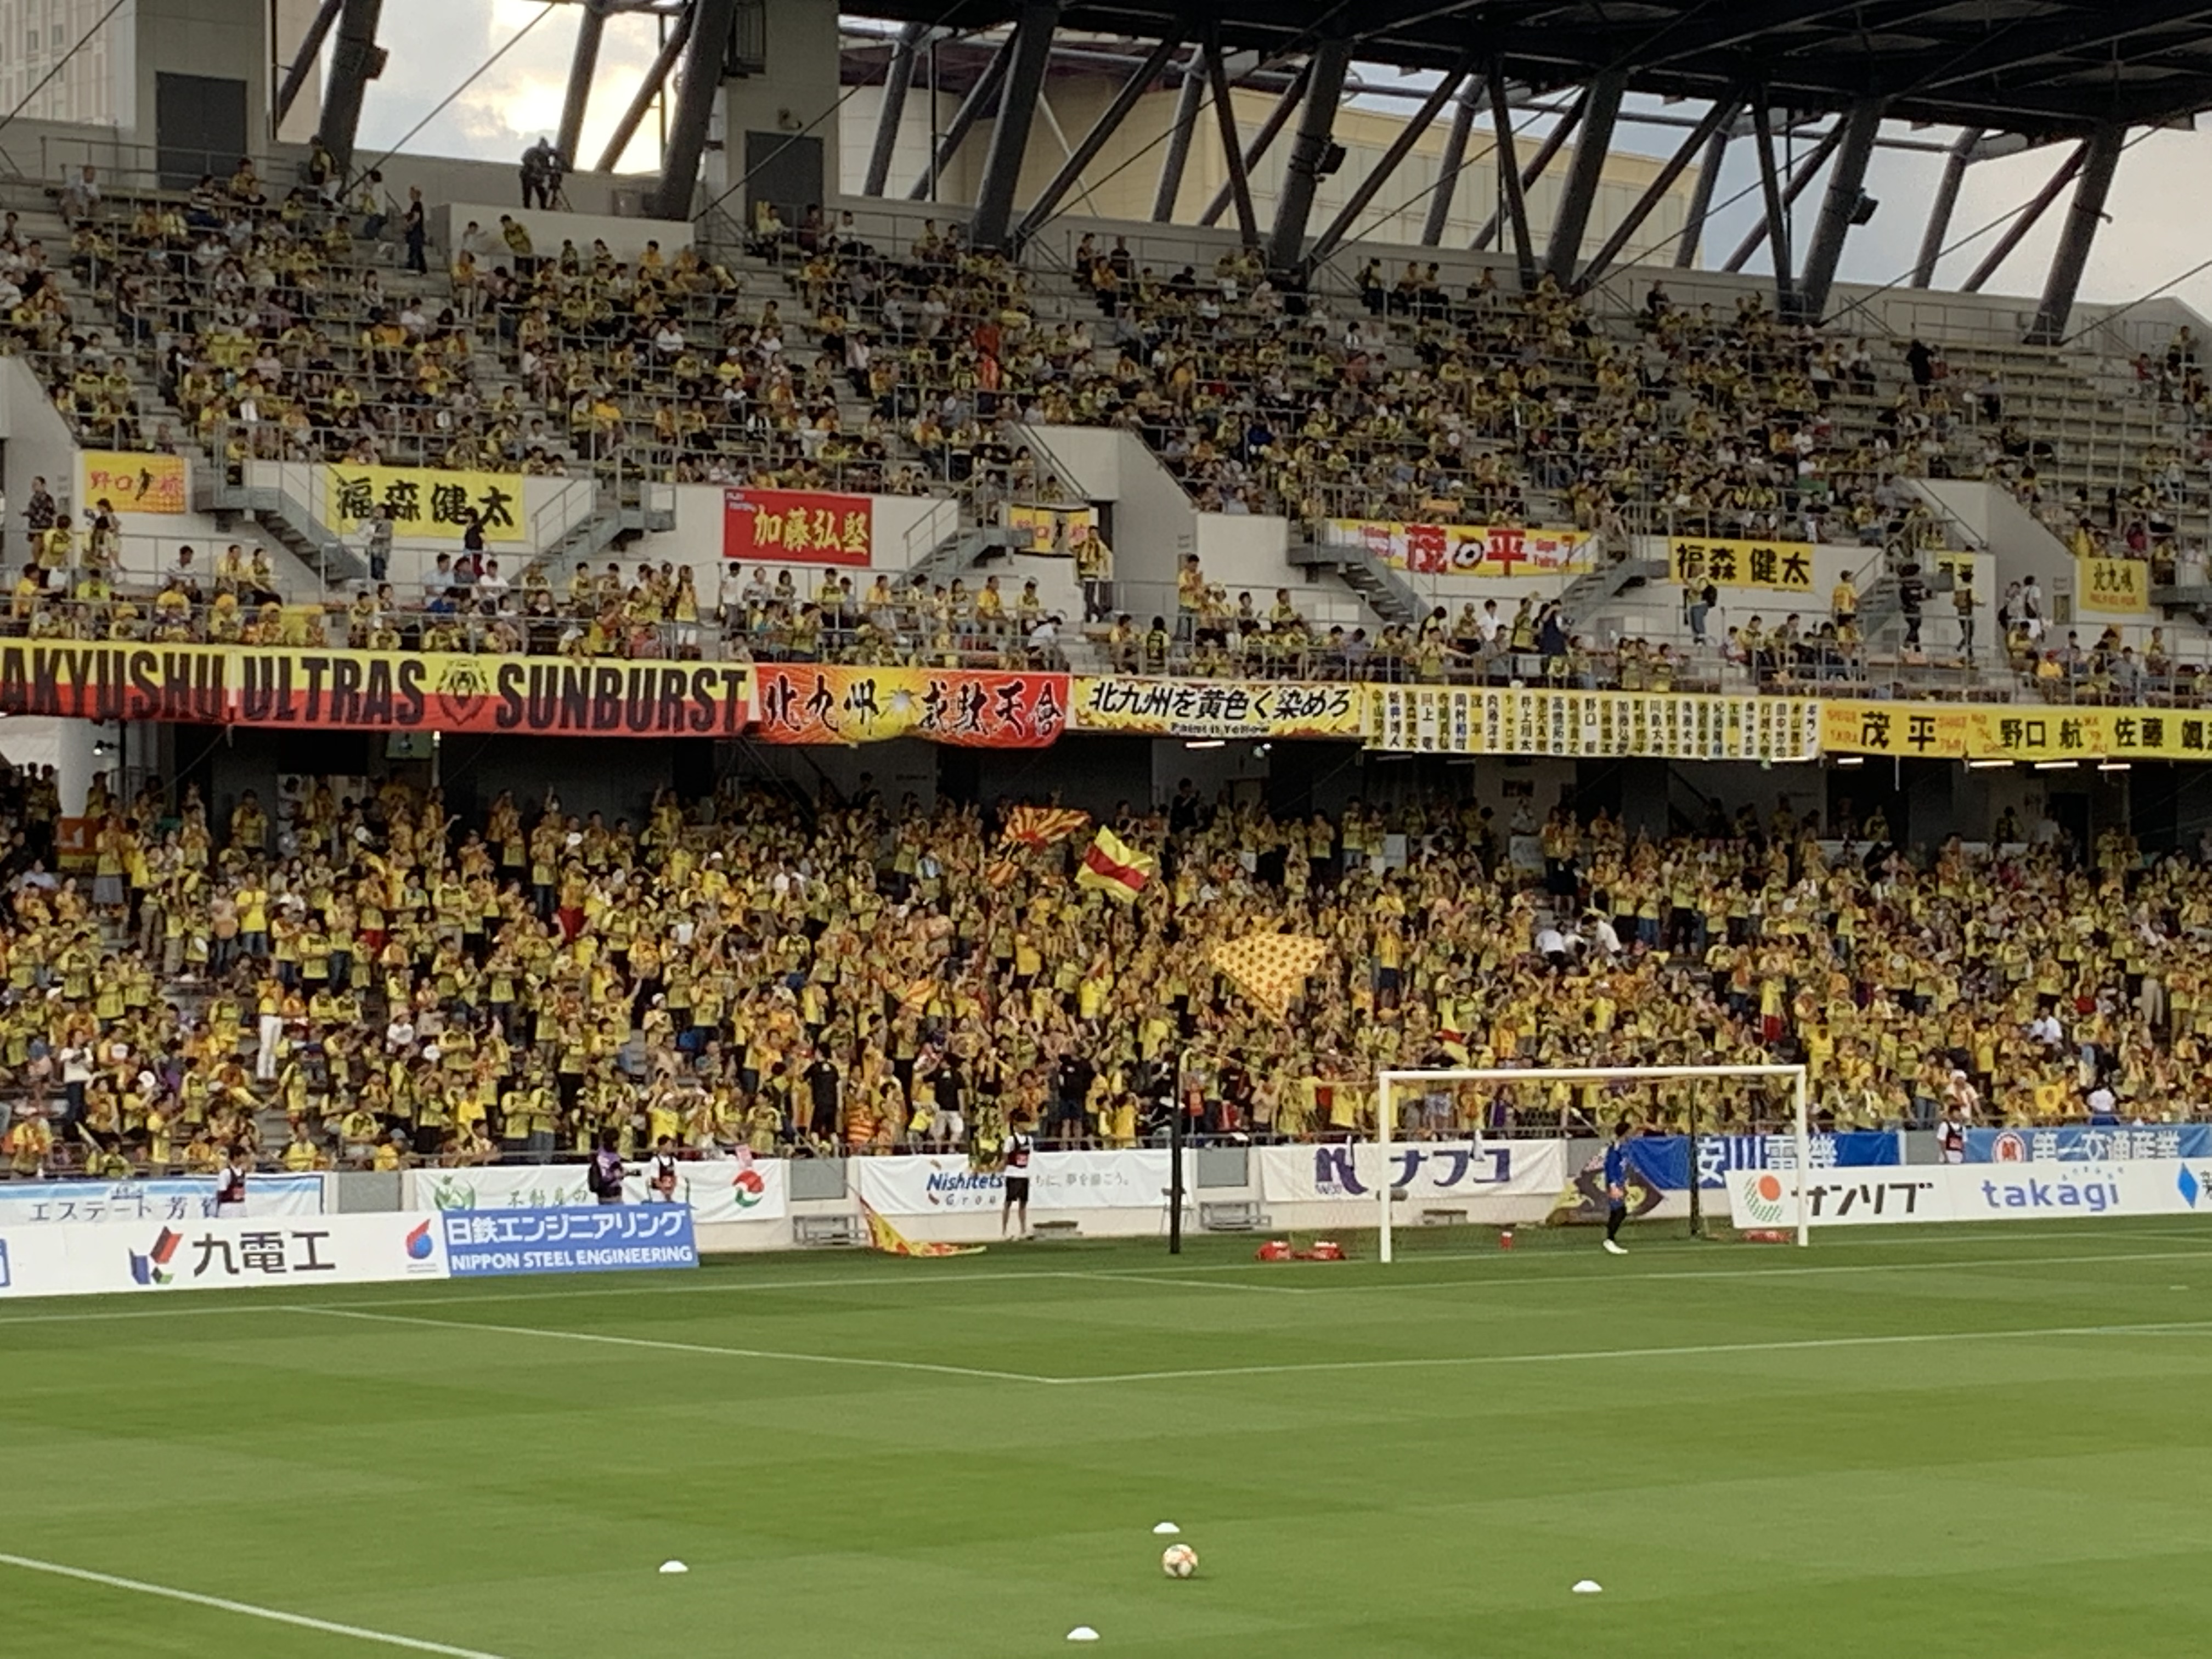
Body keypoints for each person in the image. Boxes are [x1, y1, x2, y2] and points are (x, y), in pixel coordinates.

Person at [1002, 1110, 1036, 1240]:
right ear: (1018, 1124)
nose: (1026, 1126)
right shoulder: (1011, 1140)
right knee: (1008, 1203)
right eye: (1024, 1123)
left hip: (1024, 1174)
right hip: (1012, 1174)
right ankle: (1004, 1231)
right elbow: (1005, 1157)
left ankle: (1023, 1230)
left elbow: (1030, 1156)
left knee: (1023, 1204)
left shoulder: (1029, 1140)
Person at [1601, 1119, 1632, 1255]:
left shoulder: (1622, 1147)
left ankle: (1611, 1238)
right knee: (1620, 1211)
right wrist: (1613, 1185)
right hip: (1614, 1183)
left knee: (1617, 1211)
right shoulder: (1615, 1148)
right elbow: (1610, 1166)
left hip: (1619, 1182)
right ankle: (1609, 1239)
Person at [587, 1131, 624, 1204]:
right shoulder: (612, 1157)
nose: (619, 1143)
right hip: (612, 1193)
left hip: (602, 1193)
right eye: (617, 1141)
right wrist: (626, 1173)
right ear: (613, 1142)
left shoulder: (599, 1153)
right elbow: (617, 1174)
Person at [215, 1144, 251, 1217]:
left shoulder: (243, 1173)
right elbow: (221, 1192)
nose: (245, 1158)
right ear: (236, 1157)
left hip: (241, 1205)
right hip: (228, 1206)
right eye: (243, 1155)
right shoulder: (226, 1173)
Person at [647, 1136, 679, 1201]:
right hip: (657, 1195)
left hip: (671, 1193)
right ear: (662, 1146)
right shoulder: (655, 1160)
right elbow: (655, 1180)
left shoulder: (674, 1161)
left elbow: (675, 1178)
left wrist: (671, 1192)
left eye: (671, 1145)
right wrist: (666, 1193)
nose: (671, 1147)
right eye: (669, 1145)